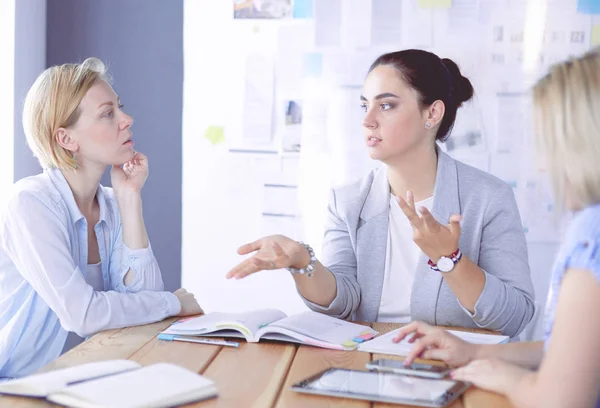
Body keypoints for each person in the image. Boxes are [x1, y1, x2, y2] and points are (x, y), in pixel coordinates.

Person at [227, 49, 534, 337]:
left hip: (452, 371)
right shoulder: (346, 201)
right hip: (364, 364)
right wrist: (302, 262)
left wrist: (449, 258)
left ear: (433, 113)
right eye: (365, 105)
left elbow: (515, 317)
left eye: (386, 105)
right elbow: (342, 302)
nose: (367, 120)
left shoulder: (489, 197)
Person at [394, 48, 600, 408]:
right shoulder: (347, 199)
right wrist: (474, 352)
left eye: (549, 145)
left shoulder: (590, 236)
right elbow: (570, 349)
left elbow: (559, 400)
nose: (541, 166)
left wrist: (502, 375)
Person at [0, 58, 202, 379]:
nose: (127, 119)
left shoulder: (109, 202)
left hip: (84, 380)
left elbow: (143, 303)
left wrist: (129, 197)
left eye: (119, 108)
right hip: (16, 388)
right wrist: (172, 303)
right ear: (66, 139)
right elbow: (82, 315)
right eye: (108, 114)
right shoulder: (30, 204)